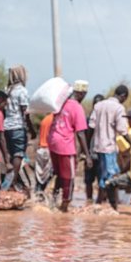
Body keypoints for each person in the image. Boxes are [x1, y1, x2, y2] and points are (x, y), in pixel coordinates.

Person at [47, 80, 93, 212]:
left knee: (59, 174)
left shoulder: (60, 103)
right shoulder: (76, 107)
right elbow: (81, 133)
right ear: (81, 93)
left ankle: (53, 200)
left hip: (53, 141)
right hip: (65, 145)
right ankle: (64, 208)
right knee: (69, 178)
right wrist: (87, 155)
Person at [90, 86, 129, 204]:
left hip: (98, 147)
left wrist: (88, 148)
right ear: (123, 96)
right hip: (109, 147)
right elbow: (122, 130)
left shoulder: (98, 105)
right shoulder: (119, 108)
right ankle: (108, 204)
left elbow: (91, 126)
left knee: (105, 175)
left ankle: (102, 203)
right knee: (111, 178)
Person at [4, 65, 37, 192]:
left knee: (11, 155)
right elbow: (25, 113)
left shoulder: (7, 90)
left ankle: (10, 181)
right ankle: (12, 183)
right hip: (18, 127)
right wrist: (32, 129)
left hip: (6, 127)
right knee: (18, 155)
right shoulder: (22, 91)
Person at [84, 93, 105, 202]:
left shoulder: (106, 121)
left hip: (102, 154)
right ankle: (89, 201)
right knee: (88, 181)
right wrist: (85, 154)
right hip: (91, 154)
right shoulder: (88, 120)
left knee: (102, 180)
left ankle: (99, 202)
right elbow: (84, 138)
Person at [35, 112, 54, 195]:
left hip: (41, 149)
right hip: (48, 149)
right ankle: (42, 192)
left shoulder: (45, 119)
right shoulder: (54, 120)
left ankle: (37, 193)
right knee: (48, 173)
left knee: (40, 174)